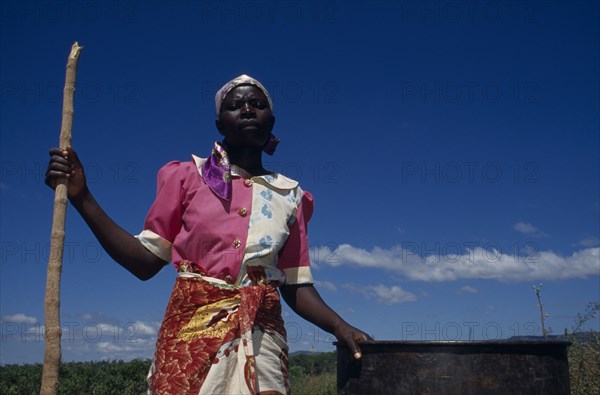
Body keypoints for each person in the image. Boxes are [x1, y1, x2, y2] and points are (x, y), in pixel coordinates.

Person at [45, 74, 371, 394]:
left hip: (262, 336)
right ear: (219, 124)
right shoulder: (187, 178)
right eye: (236, 106)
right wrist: (82, 197)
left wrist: (339, 325)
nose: (246, 110)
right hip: (189, 335)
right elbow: (144, 262)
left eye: (257, 105)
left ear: (271, 122)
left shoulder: (290, 196)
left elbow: (296, 284)